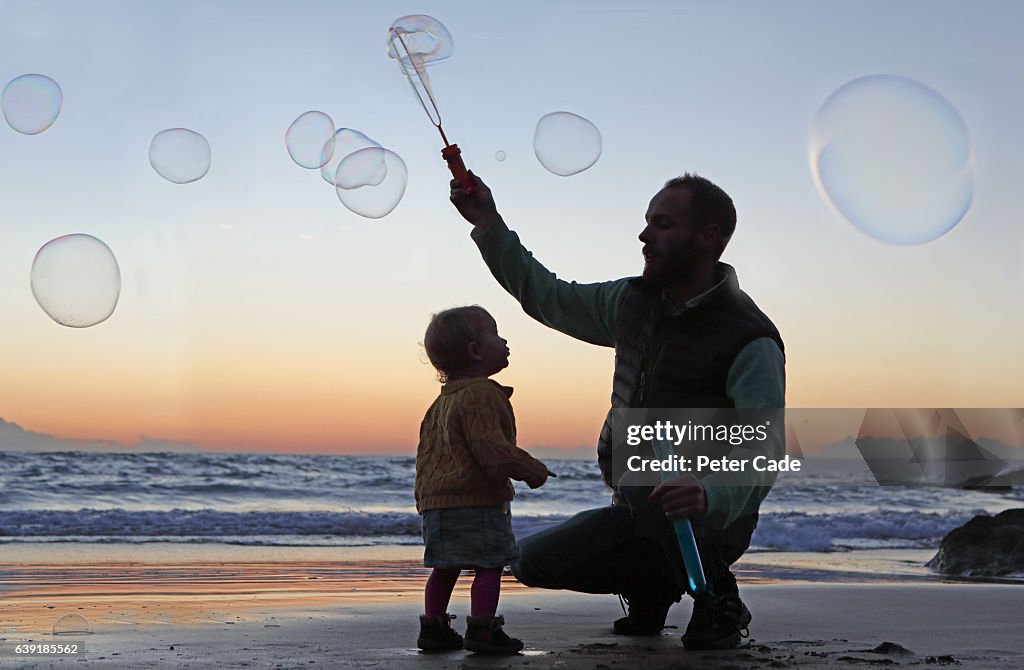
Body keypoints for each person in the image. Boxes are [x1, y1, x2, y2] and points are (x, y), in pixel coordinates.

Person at [449, 172, 785, 651]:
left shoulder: (749, 336)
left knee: (684, 558)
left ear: (708, 238)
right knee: (529, 561)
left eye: (663, 224)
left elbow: (764, 444)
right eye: (647, 222)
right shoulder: (631, 302)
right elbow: (547, 294)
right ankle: (654, 586)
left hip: (711, 522)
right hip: (637, 506)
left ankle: (716, 593)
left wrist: (710, 492)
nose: (644, 236)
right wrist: (487, 222)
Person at [415, 305, 554, 654]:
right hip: (476, 500)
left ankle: (433, 628)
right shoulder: (481, 395)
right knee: (489, 565)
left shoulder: (441, 403)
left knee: (445, 567)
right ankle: (482, 630)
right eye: (496, 334)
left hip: (437, 502)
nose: (504, 341)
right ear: (476, 351)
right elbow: (490, 448)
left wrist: (425, 501)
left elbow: (427, 456)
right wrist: (531, 469)